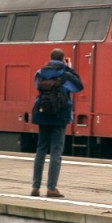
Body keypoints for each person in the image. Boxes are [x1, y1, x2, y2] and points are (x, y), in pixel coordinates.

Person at [31, 48, 83, 198]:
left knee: (40, 150)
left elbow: (37, 87)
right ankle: (51, 188)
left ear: (49, 57)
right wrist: (69, 68)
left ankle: (35, 187)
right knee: (55, 152)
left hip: (42, 114)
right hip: (59, 116)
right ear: (62, 60)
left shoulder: (40, 73)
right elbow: (79, 86)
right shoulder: (66, 75)